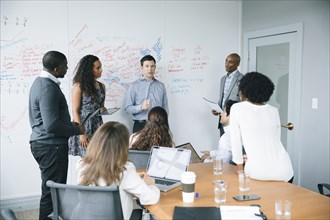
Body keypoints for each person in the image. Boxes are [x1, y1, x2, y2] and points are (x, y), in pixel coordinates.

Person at [29, 51, 85, 220]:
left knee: (52, 190)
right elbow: (52, 125)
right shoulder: (47, 88)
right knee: (52, 192)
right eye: (65, 65)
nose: (67, 68)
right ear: (55, 68)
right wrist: (77, 130)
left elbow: (50, 120)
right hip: (51, 146)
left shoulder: (40, 82)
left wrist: (70, 125)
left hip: (46, 144)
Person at [77, 121, 160, 219]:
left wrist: (135, 179)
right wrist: (151, 184)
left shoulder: (82, 165)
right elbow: (150, 198)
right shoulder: (125, 171)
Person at [230, 71, 294, 182]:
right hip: (285, 170)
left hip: (258, 172)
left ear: (244, 89)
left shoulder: (237, 108)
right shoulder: (273, 110)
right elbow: (273, 141)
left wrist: (240, 169)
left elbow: (235, 142)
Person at [68, 55, 106, 157]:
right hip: (83, 125)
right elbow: (75, 111)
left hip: (97, 124)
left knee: (99, 157)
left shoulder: (102, 86)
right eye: (97, 68)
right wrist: (81, 133)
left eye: (100, 67)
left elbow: (101, 107)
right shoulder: (79, 86)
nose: (100, 70)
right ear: (89, 70)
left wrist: (104, 110)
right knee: (86, 159)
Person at [124, 55, 168, 133]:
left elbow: (165, 109)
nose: (150, 69)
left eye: (152, 66)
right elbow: (127, 109)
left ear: (155, 67)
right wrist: (141, 107)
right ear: (142, 68)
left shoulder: (161, 86)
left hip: (158, 126)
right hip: (140, 126)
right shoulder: (134, 86)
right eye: (147, 66)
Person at [212, 53, 243, 137]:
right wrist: (216, 109)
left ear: (237, 64)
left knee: (234, 147)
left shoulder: (242, 79)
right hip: (223, 118)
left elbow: (243, 101)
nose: (226, 64)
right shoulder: (223, 79)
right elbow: (222, 98)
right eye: (226, 61)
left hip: (234, 120)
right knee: (223, 145)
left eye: (230, 62)